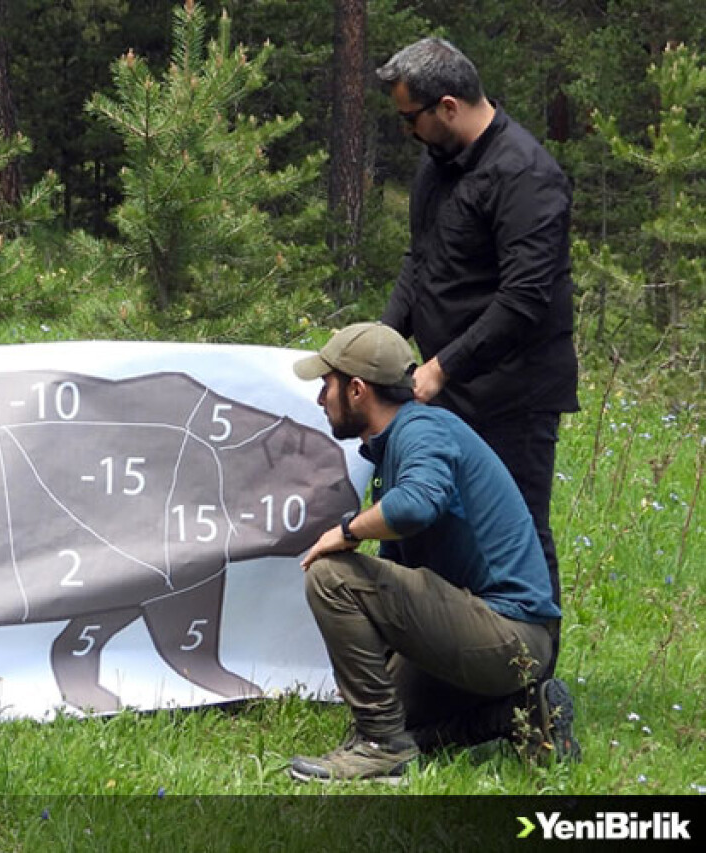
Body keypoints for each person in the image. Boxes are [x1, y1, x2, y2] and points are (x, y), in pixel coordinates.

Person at [287, 323, 579, 784]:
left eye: (327, 385)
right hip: (484, 633)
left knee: (331, 575)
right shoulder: (395, 444)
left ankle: (381, 749)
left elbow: (419, 503)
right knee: (393, 716)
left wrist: (347, 530)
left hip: (509, 633)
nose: (321, 398)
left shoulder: (421, 430)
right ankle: (518, 716)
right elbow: (397, 581)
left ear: (357, 390)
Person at [375, 38, 578, 665]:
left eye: (411, 117)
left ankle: (534, 682)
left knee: (514, 532)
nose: (406, 130)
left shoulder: (527, 175)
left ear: (448, 104)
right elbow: (421, 263)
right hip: (443, 386)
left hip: (512, 394)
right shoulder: (437, 164)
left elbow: (525, 299)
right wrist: (379, 345)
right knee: (415, 515)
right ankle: (399, 666)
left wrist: (441, 367)